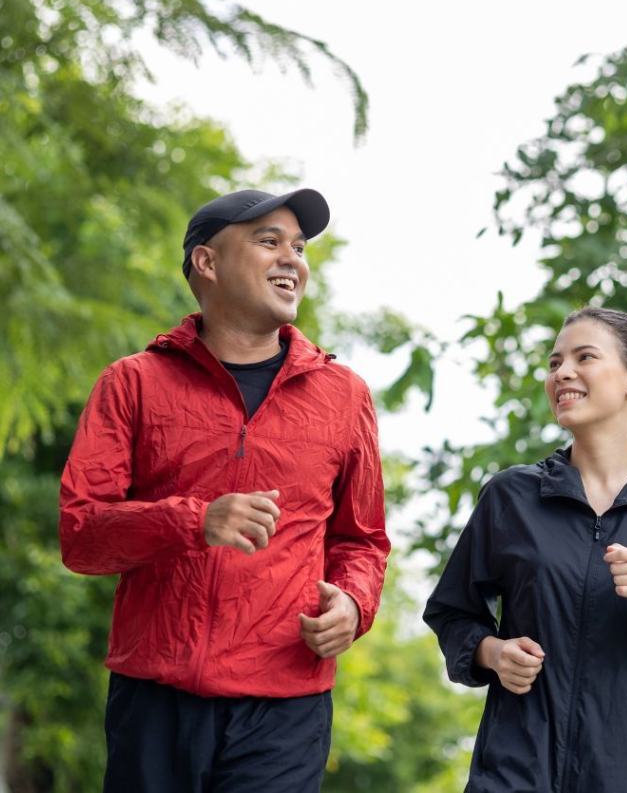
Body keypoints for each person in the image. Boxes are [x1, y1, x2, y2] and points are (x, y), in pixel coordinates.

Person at [60, 188, 389, 793]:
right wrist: (192, 521)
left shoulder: (345, 395)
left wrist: (352, 604)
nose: (292, 258)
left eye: (299, 246)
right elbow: (82, 537)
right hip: (154, 699)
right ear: (207, 263)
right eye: (268, 241)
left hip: (286, 707)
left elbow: (361, 539)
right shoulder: (132, 383)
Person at [423, 306, 627, 793]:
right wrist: (492, 651)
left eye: (584, 357)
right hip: (512, 773)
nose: (562, 373)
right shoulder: (512, 497)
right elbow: (452, 613)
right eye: (554, 363)